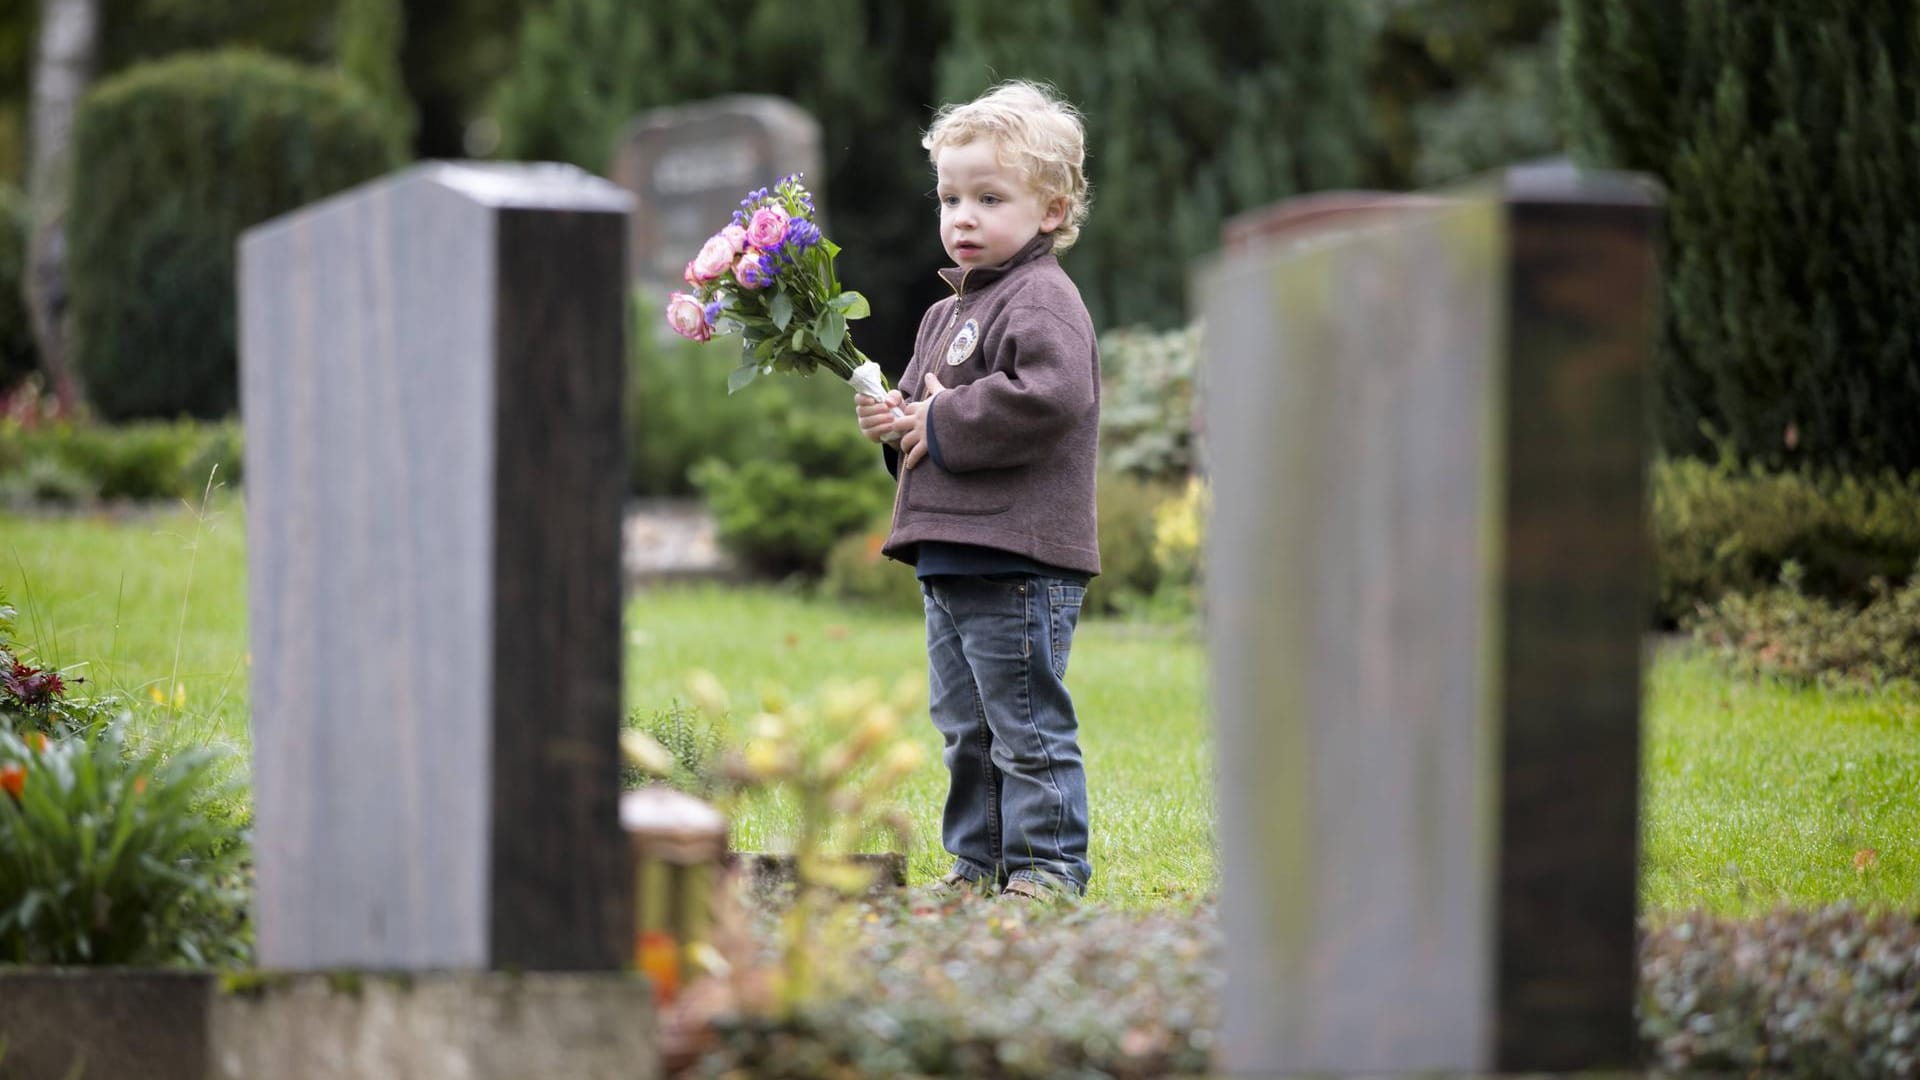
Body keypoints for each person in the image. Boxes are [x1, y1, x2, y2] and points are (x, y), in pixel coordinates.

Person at [854, 80, 1099, 902]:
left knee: (1023, 726)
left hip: (1018, 554)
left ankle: (1049, 869)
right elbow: (931, 423)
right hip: (954, 553)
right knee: (966, 727)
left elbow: (1052, 397)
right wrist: (899, 424)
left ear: (1053, 211)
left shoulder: (1043, 299)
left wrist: (942, 418)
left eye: (989, 198)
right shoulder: (941, 315)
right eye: (951, 197)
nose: (963, 216)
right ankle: (979, 864)